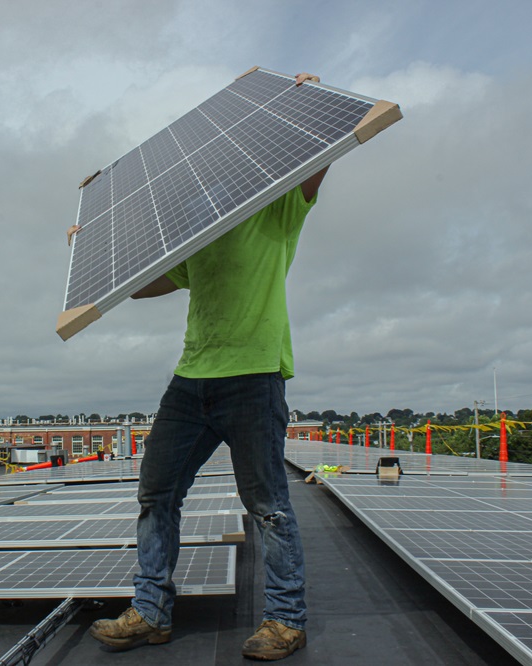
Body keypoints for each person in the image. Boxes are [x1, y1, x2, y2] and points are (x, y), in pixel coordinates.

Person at [83, 72, 327, 661]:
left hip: (254, 378)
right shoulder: (199, 236)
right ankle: (152, 610)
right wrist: (95, 244)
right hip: (191, 381)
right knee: (156, 491)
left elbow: (316, 158)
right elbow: (143, 287)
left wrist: (308, 107)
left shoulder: (274, 213)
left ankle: (285, 620)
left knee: (266, 506)